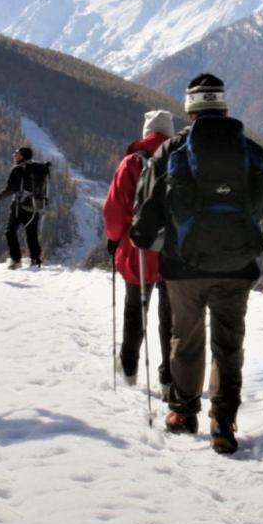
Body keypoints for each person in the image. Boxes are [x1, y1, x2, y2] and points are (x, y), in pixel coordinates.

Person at [130, 73, 263, 454]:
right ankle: (223, 419)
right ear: (225, 108)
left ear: (189, 112)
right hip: (237, 266)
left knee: (185, 339)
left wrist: (147, 239)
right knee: (228, 344)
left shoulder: (170, 152)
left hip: (184, 266)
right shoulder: (250, 150)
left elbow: (146, 211)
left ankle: (184, 411)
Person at [103, 109, 175, 395]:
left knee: (135, 310)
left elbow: (114, 208)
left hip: (138, 250)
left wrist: (114, 239)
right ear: (170, 133)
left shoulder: (132, 162)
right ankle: (170, 377)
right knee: (170, 315)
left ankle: (129, 369)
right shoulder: (181, 158)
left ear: (146, 133)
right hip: (173, 250)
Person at [0, 146, 43, 270]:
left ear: (22, 156)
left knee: (10, 231)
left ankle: (16, 260)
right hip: (35, 206)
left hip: (19, 206)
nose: (14, 154)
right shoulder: (37, 169)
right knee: (32, 234)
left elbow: (11, 188)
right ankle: (35, 260)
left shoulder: (18, 169)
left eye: (16, 153)